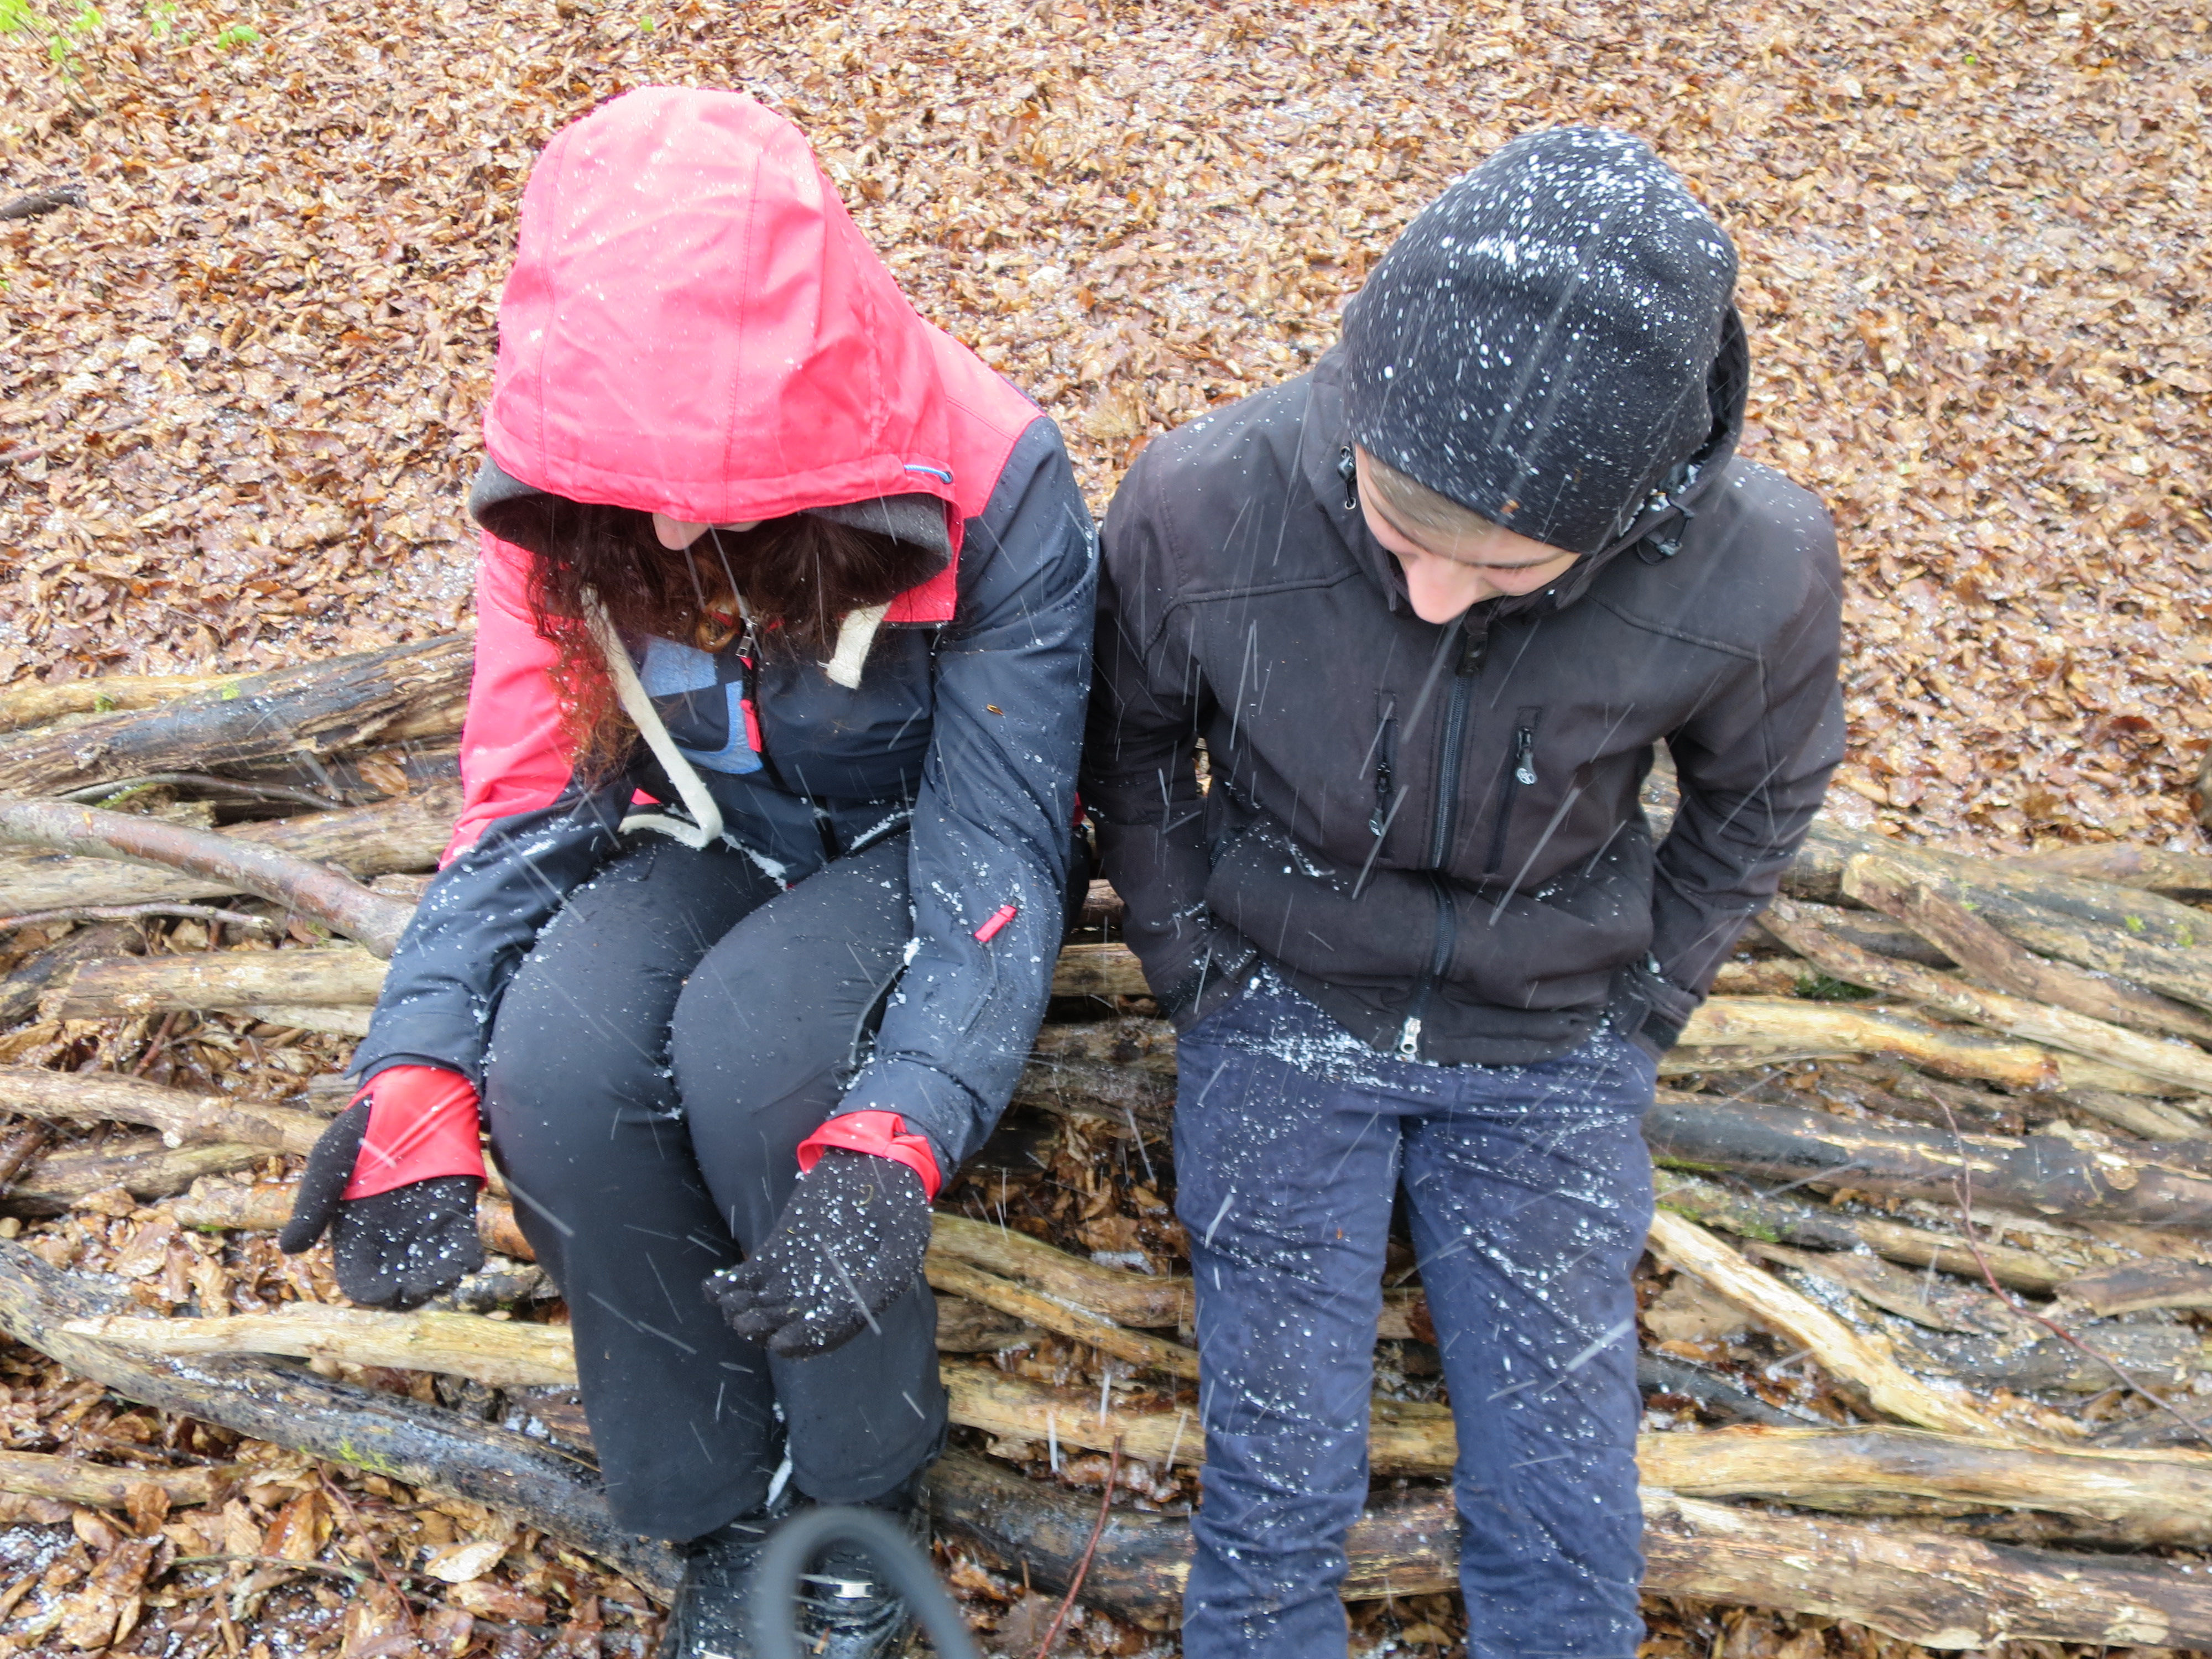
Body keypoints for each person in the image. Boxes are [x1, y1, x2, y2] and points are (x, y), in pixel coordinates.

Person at [278, 87, 1095, 1659]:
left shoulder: (987, 476)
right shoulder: (560, 489)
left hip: (925, 843)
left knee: (761, 1049)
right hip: (715, 824)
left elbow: (1002, 836)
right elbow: (530, 789)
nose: (658, 530)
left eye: (703, 493)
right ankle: (713, 1497)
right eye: (628, 492)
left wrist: (903, 1130)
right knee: (556, 1064)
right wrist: (419, 1059)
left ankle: (857, 1487)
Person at [1083, 128, 1843, 1658]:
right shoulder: (1205, 500)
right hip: (1282, 1003)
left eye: (1502, 572)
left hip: (1550, 1040)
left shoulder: (1753, 567)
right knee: (1273, 1496)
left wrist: (1642, 1007)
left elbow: (1761, 796)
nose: (1434, 598)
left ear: (1633, 510)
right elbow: (1135, 744)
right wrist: (1192, 966)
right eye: (1400, 529)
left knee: (1565, 1519)